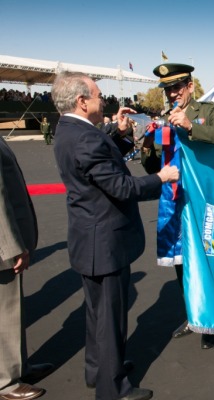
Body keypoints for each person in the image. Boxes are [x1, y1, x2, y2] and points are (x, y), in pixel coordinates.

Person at [52, 71, 179, 400]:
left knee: (97, 315)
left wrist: (118, 132)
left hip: (89, 237)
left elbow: (98, 154)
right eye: (97, 96)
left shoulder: (69, 129)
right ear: (82, 102)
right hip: (105, 240)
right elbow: (121, 186)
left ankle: (99, 370)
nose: (102, 101)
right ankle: (113, 389)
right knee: (110, 320)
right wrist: (162, 177)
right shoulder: (86, 138)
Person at [141, 63, 214, 345]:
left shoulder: (207, 111)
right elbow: (152, 167)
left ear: (190, 87)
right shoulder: (162, 119)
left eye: (177, 87)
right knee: (183, 266)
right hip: (175, 203)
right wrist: (147, 144)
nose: (172, 94)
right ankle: (195, 315)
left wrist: (190, 126)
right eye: (167, 89)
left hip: (205, 201)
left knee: (210, 260)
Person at [0, 137, 54, 400]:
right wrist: (10, 247)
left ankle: (19, 366)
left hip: (8, 240)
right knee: (4, 312)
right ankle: (5, 382)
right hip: (3, 245)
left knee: (13, 312)